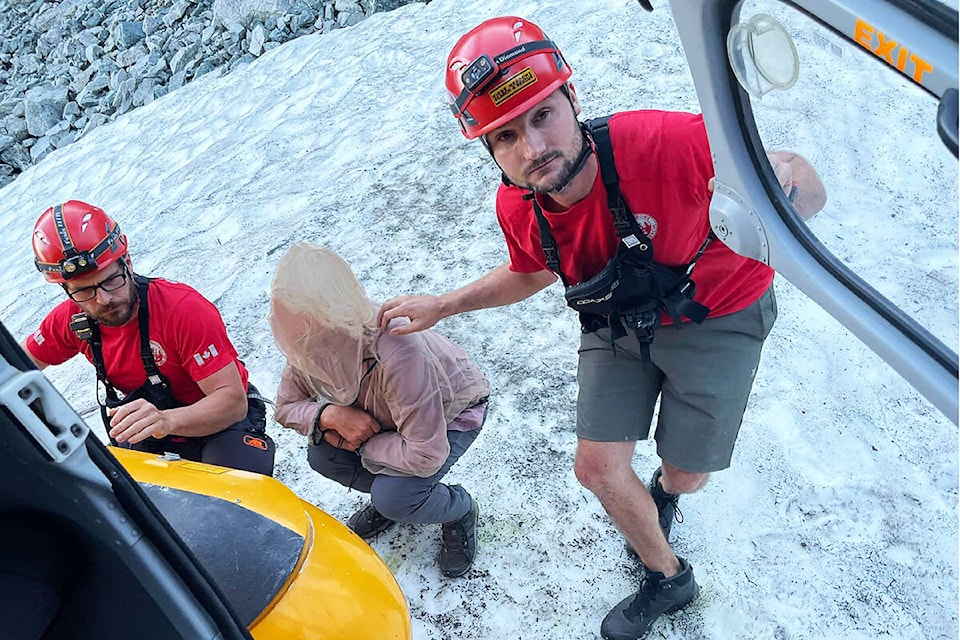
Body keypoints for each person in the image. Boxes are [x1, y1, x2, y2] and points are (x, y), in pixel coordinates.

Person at [377, 16, 827, 639]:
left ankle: (666, 490)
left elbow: (794, 173)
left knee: (687, 474)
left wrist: (783, 199)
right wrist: (443, 305)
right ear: (490, 152)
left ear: (573, 100)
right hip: (617, 319)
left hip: (720, 313)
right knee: (595, 466)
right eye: (506, 137)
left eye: (541, 115)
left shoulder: (662, 144)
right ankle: (668, 578)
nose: (533, 149)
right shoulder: (519, 203)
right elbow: (530, 271)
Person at [270, 243, 490, 578]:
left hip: (451, 413)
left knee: (394, 496)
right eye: (298, 341)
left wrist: (357, 443)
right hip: (388, 422)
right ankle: (403, 500)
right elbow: (285, 407)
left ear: (333, 317)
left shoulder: (398, 349)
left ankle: (456, 509)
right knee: (323, 456)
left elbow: (425, 455)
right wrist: (329, 416)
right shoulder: (308, 338)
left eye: (314, 340)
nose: (305, 351)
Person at [23, 200, 275, 476]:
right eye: (84, 291)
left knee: (234, 497)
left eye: (110, 280)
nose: (103, 299)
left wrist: (166, 420)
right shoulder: (71, 320)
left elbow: (232, 403)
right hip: (151, 429)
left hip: (221, 425)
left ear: (127, 262)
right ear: (66, 289)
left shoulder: (181, 309)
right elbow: (15, 365)